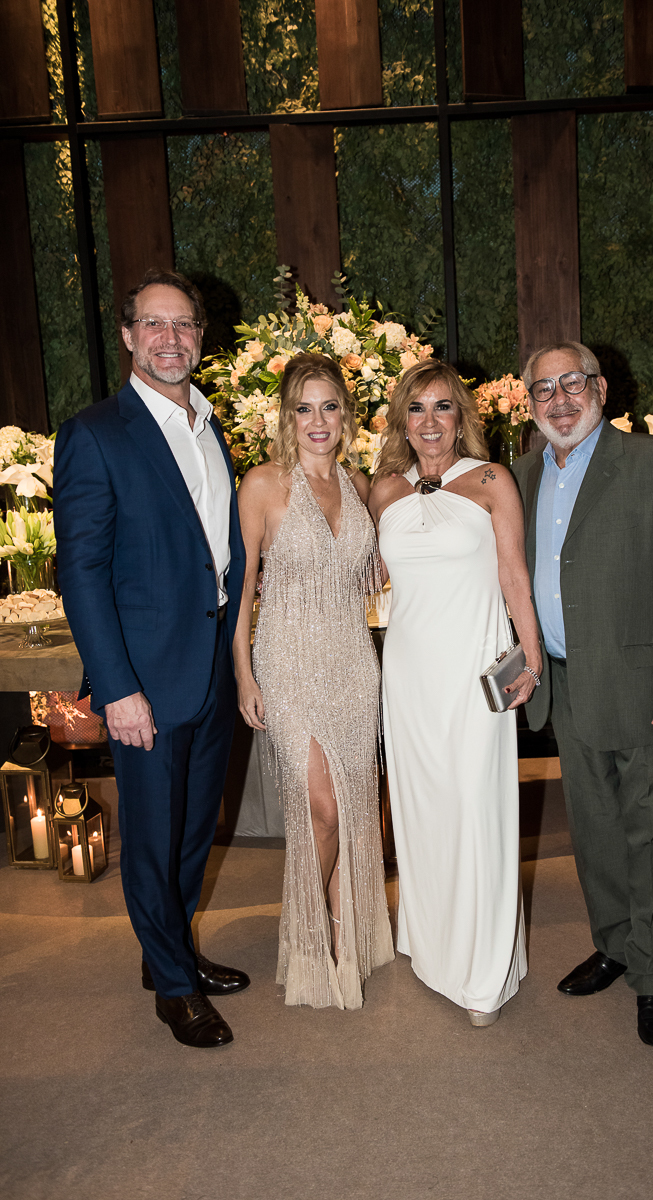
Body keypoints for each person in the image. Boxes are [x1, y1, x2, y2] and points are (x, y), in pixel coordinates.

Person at [53, 269, 248, 1049]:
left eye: (184, 325)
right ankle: (172, 986)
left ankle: (170, 950)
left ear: (200, 337)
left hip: (209, 666)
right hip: (144, 678)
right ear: (130, 336)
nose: (171, 338)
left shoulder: (210, 427)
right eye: (154, 324)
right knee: (152, 837)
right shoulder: (96, 433)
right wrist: (116, 688)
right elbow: (81, 572)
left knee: (195, 828)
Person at [512, 341, 653, 1048]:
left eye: (572, 383)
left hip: (645, 684)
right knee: (595, 828)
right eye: (544, 389)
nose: (559, 400)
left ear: (599, 389)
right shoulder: (522, 474)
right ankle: (617, 943)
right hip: (565, 682)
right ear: (529, 403)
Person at [369, 359, 542, 1026]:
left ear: (461, 416)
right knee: (421, 810)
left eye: (443, 406)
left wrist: (529, 660)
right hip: (408, 674)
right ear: (401, 421)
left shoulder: (492, 480)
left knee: (474, 808)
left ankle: (482, 976)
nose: (430, 420)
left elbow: (514, 576)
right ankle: (432, 945)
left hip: (473, 673)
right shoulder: (384, 489)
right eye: (416, 408)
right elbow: (370, 579)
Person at [234, 352, 393, 1010]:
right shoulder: (263, 485)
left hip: (353, 663)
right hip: (287, 662)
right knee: (321, 807)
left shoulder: (359, 484)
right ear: (286, 416)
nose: (317, 420)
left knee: (353, 807)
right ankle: (309, 941)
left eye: (329, 406)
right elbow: (242, 588)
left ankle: (343, 936)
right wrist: (242, 673)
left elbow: (376, 569)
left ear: (346, 415)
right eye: (304, 408)